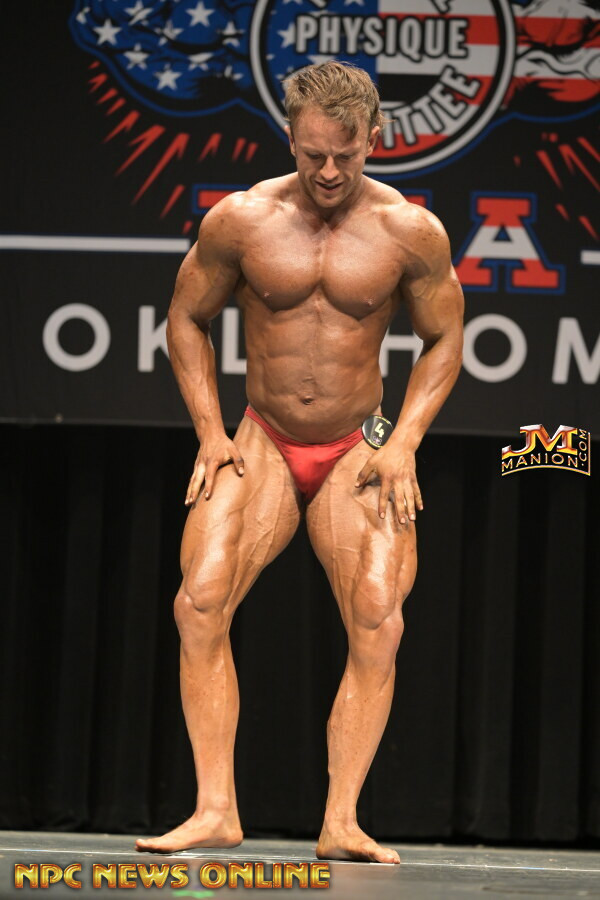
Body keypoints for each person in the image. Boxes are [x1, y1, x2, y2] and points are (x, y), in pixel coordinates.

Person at [135, 61, 464, 864]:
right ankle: (215, 809)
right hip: (264, 437)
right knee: (198, 602)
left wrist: (405, 441)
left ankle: (341, 821)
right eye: (313, 154)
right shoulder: (242, 221)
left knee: (379, 618)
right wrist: (210, 432)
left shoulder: (410, 231)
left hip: (359, 443)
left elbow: (444, 339)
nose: (328, 171)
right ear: (290, 137)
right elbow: (185, 317)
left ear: (374, 140)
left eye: (345, 157)